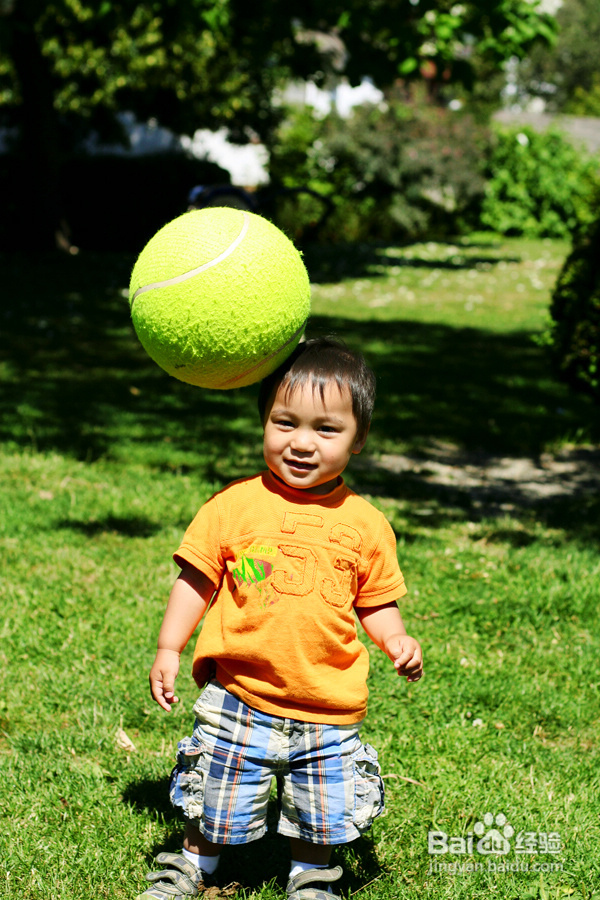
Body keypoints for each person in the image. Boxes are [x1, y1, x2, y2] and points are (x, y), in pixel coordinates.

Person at [138, 337, 423, 900]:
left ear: (358, 439)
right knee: (216, 787)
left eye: (326, 429)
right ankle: (195, 865)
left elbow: (375, 600)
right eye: (285, 422)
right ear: (264, 420)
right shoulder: (234, 506)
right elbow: (196, 580)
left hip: (326, 698)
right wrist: (170, 647)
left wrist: (395, 638)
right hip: (239, 691)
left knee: (321, 803)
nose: (301, 443)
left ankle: (311, 875)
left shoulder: (366, 525)